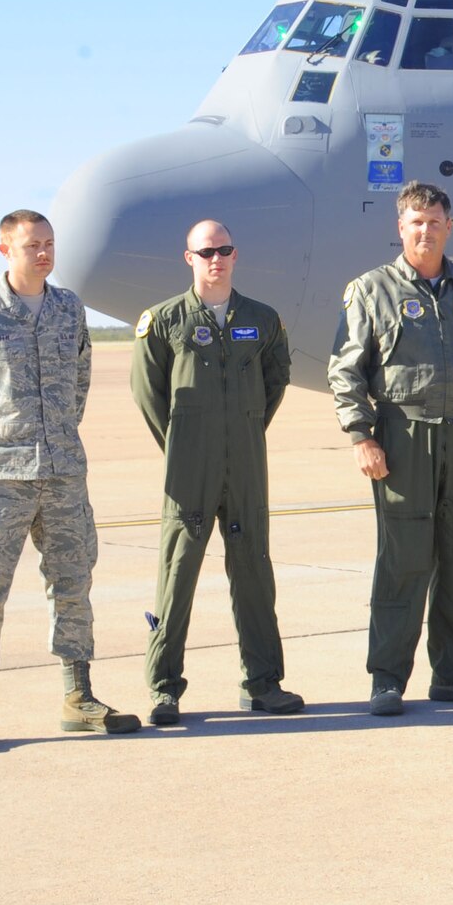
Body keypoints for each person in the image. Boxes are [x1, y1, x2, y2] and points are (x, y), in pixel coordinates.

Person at [0, 210, 139, 754]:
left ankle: (79, 696)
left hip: (64, 472)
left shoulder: (69, 308)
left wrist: (59, 433)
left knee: (73, 583)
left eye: (48, 244)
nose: (43, 253)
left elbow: (80, 378)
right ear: (5, 250)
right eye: (31, 245)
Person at [329, 181, 453, 716]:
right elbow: (346, 370)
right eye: (416, 222)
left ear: (449, 227)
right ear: (401, 227)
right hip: (402, 436)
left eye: (435, 221)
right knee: (403, 561)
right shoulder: (371, 290)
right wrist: (361, 436)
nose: (426, 231)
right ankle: (387, 678)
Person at [130, 219, 302, 724]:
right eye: (205, 252)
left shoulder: (263, 319)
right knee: (177, 572)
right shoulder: (163, 320)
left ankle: (264, 683)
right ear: (189, 258)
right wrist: (183, 440)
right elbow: (148, 393)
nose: (216, 259)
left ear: (235, 254)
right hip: (190, 466)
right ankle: (164, 688)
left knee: (254, 570)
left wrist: (246, 427)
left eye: (224, 250)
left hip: (247, 461)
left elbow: (276, 381)